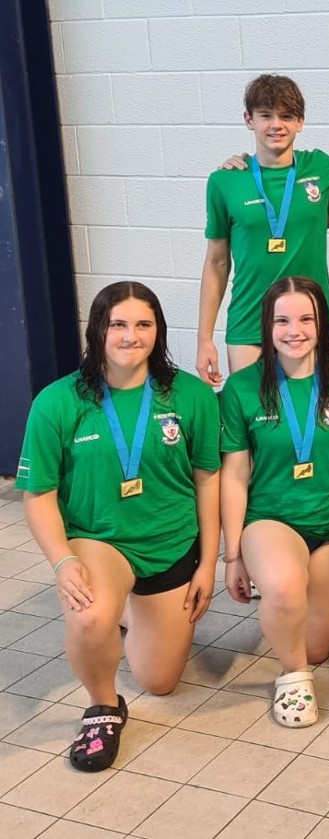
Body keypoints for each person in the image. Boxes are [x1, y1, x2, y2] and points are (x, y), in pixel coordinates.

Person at [18, 281, 220, 771]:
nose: (131, 336)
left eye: (143, 324)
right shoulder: (58, 402)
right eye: (118, 324)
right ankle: (103, 706)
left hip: (172, 542)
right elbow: (38, 494)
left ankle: (129, 608)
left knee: (160, 681)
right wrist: (63, 561)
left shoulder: (191, 396)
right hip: (100, 539)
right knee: (90, 617)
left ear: (159, 331)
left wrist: (209, 563)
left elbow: (208, 480)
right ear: (98, 331)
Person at [219, 276, 329, 728]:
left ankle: (296, 623)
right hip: (271, 519)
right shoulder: (243, 387)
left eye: (306, 319)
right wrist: (233, 555)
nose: (295, 331)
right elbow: (234, 475)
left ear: (322, 323)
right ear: (267, 326)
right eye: (282, 321)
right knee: (283, 589)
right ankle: (293, 678)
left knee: (317, 646)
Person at [198, 74, 329, 386]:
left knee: (308, 409)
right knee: (253, 410)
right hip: (249, 320)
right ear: (249, 120)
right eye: (266, 115)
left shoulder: (321, 168)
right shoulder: (225, 181)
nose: (276, 125)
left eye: (286, 116)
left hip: (307, 319)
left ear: (300, 122)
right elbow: (216, 262)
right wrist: (204, 339)